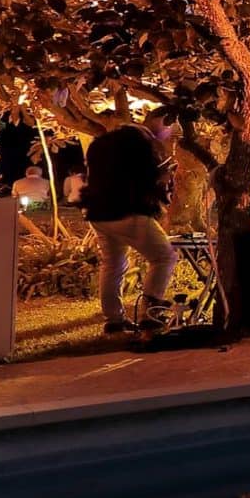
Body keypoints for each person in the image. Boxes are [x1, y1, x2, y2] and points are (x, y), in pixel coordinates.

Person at [82, 112, 177, 334]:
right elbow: (147, 177)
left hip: (98, 212)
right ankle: (149, 313)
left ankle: (114, 320)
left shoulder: (100, 146)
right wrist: (164, 173)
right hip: (129, 211)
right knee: (164, 257)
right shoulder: (140, 145)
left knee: (113, 264)